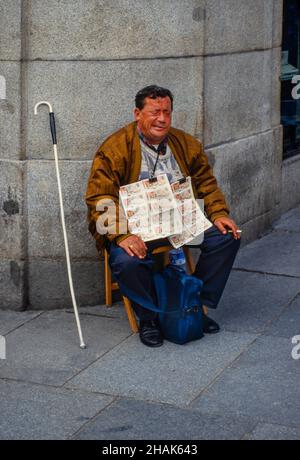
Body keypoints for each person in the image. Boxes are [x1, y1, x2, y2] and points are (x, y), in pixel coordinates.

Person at [85, 85, 241, 348]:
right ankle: (148, 317)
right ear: (137, 113)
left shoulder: (186, 143)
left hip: (180, 223)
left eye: (167, 112)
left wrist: (219, 213)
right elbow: (99, 199)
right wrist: (122, 234)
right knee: (127, 261)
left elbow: (207, 183)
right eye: (154, 112)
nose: (162, 119)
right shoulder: (114, 148)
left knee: (227, 237)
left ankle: (193, 304)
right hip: (135, 228)